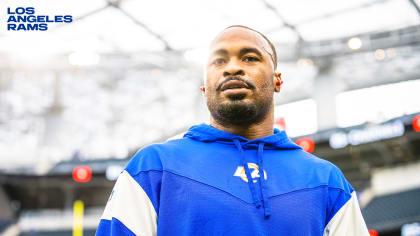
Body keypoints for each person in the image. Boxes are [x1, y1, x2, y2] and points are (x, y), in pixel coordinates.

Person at [96, 25, 370, 236]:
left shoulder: (328, 182)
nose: (233, 67)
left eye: (250, 58)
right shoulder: (153, 168)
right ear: (205, 87)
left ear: (277, 80)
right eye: (218, 62)